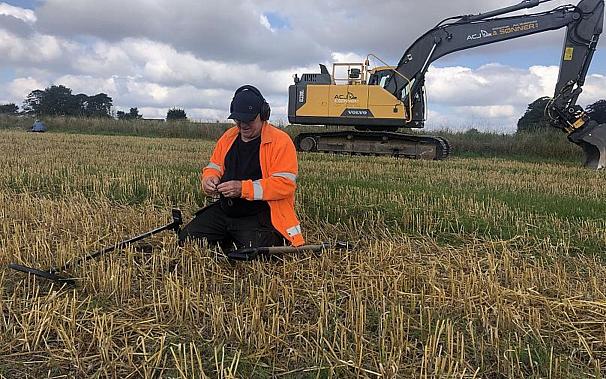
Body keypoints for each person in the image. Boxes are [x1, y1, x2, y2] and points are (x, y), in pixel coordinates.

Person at [178, 85, 304, 252]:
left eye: (249, 120)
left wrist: (242, 188)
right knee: (187, 240)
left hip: (259, 214)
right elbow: (213, 167)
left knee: (254, 254)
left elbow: (284, 185)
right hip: (225, 211)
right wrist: (209, 179)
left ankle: (237, 238)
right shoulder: (228, 137)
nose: (243, 125)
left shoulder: (281, 141)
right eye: (238, 120)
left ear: (263, 115)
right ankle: (230, 236)